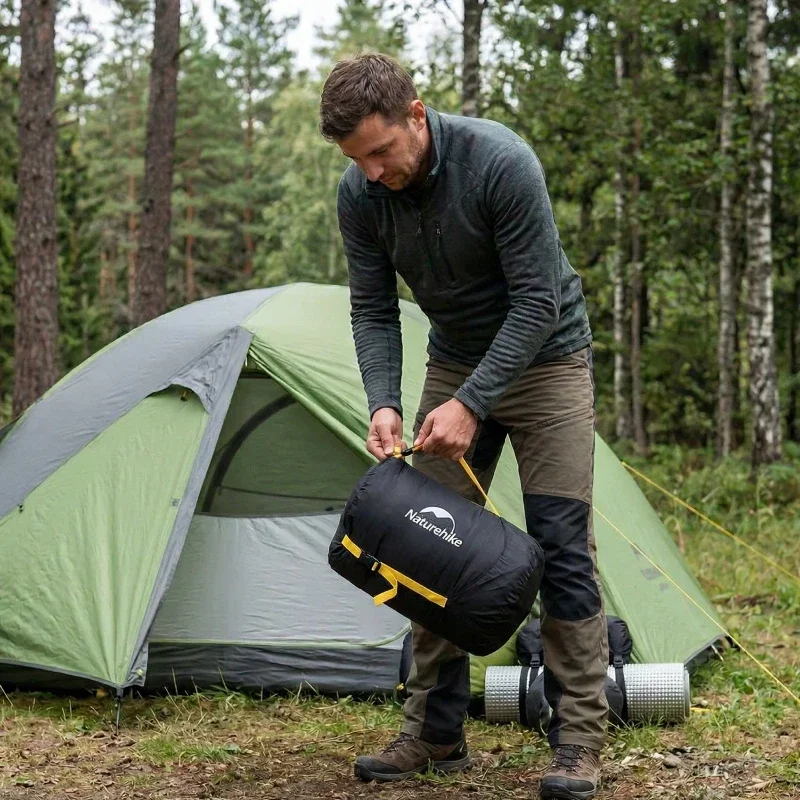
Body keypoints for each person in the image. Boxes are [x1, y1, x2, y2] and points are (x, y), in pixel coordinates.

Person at [319, 52, 608, 800]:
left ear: (416, 115)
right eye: (358, 160)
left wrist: (473, 403)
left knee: (561, 545)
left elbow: (539, 302)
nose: (373, 172)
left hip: (547, 361)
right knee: (425, 542)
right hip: (454, 364)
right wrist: (384, 400)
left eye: (382, 151)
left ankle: (578, 740)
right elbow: (373, 308)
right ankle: (435, 732)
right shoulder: (361, 193)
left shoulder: (499, 162)